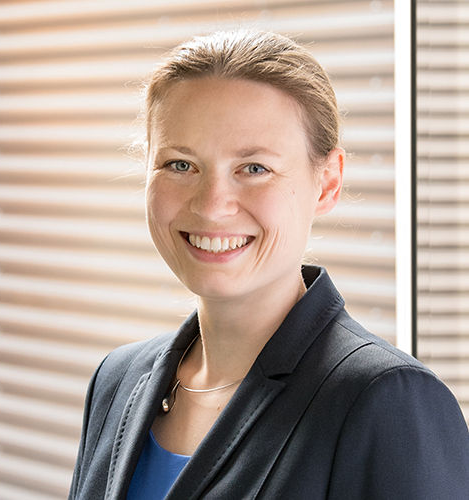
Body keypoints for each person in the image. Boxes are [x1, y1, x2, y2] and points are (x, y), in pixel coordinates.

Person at [68, 30, 469, 500]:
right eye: (180, 165)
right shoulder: (116, 380)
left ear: (328, 183)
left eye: (254, 168)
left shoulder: (384, 401)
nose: (212, 205)